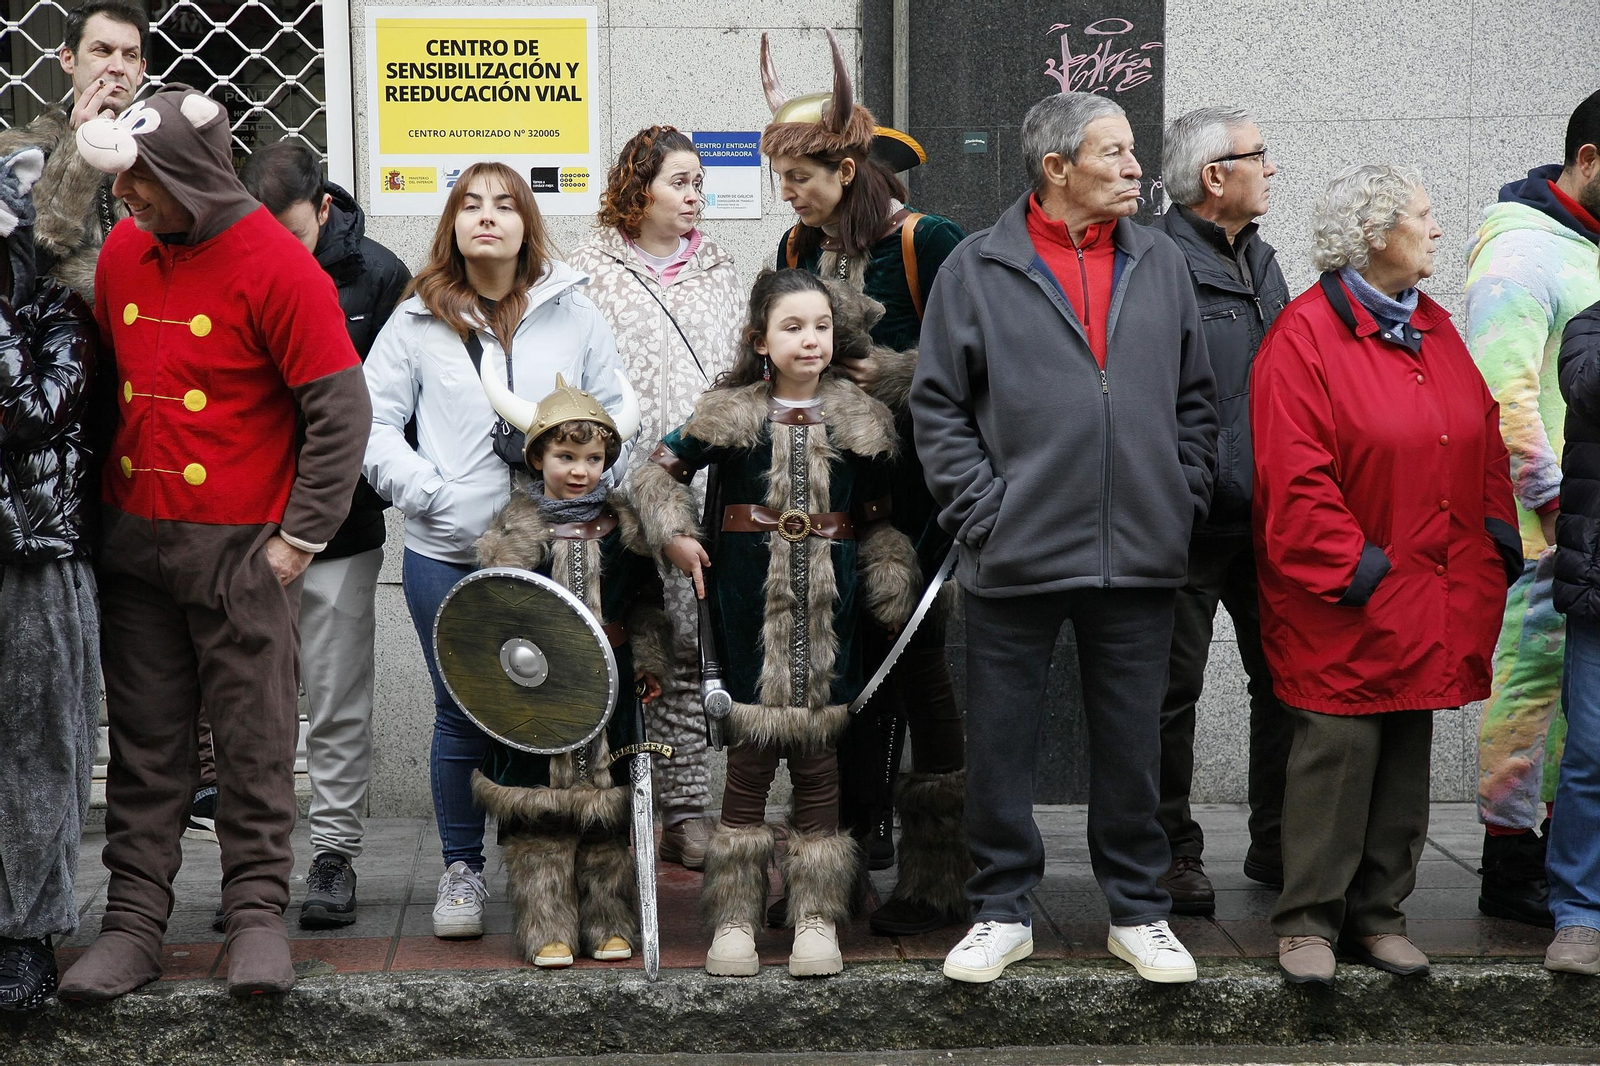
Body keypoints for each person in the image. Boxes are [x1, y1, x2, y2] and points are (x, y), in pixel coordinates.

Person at [57, 85, 370, 1001]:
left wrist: (297, 542)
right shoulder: (123, 250)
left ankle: (258, 916)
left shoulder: (279, 264)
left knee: (254, 741)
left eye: (142, 184)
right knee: (149, 747)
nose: (128, 200)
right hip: (137, 547)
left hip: (243, 552)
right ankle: (132, 923)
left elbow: (339, 410)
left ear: (188, 171)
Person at [911, 91, 1216, 986]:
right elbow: (937, 405)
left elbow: (1196, 399)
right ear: (1057, 168)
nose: (1135, 169)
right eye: (1115, 153)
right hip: (1016, 550)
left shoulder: (1160, 262)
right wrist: (981, 511)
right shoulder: (979, 267)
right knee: (1001, 740)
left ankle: (1139, 911)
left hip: (1144, 549)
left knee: (1133, 741)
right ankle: (1001, 908)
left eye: (1133, 153)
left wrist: (1180, 491)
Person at [1254, 164, 1520, 986]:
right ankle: (1307, 923)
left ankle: (1380, 915)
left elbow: (1481, 436)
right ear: (1376, 237)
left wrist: (1498, 535)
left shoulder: (1433, 326)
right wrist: (1356, 571)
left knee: (1406, 745)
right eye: (1423, 215)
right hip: (1350, 595)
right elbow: (1294, 478)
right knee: (1336, 750)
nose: (1438, 229)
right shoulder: (1303, 337)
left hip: (1430, 586)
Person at [362, 161, 628, 941]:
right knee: (462, 711)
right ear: (450, 222)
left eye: (504, 204)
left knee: (564, 708)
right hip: (449, 550)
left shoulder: (572, 309)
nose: (487, 217)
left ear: (525, 223)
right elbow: (371, 425)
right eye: (470, 204)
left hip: (560, 551)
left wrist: (587, 476)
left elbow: (614, 410)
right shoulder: (416, 320)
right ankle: (461, 872)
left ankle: (561, 874)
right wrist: (432, 492)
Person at [632, 268, 920, 978]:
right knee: (749, 773)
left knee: (822, 772)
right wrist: (674, 532)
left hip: (832, 629)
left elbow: (880, 521)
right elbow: (656, 474)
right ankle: (733, 916)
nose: (810, 339)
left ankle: (814, 915)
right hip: (744, 619)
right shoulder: (729, 415)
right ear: (760, 339)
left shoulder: (863, 421)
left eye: (820, 326)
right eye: (792, 327)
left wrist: (888, 576)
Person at [761, 29, 971, 937]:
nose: (789, 191)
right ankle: (840, 864)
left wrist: (882, 376)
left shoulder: (930, 241)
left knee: (919, 673)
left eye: (801, 174)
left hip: (920, 496)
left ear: (848, 169)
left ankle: (937, 879)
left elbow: (979, 366)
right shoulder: (795, 244)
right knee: (840, 675)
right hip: (829, 497)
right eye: (783, 177)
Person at [241, 140, 412, 927]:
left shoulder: (376, 274)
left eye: (292, 229)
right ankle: (256, 870)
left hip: (340, 527)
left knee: (337, 701)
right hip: (244, 524)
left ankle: (334, 855)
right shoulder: (234, 255)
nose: (277, 244)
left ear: (326, 206)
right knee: (252, 703)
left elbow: (383, 411)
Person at [566, 125, 742, 871]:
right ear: (637, 189)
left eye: (699, 181)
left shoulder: (725, 270)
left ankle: (688, 811)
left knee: (696, 648)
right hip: (614, 491)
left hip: (706, 489)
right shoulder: (586, 271)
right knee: (623, 650)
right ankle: (608, 809)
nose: (694, 194)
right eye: (679, 181)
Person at [467, 374, 669, 968]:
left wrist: (650, 660)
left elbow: (647, 605)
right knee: (539, 814)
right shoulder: (515, 531)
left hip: (609, 686)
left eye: (592, 458)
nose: (580, 470)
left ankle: (609, 921)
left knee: (608, 812)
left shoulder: (624, 530)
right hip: (535, 696)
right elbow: (496, 613)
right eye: (565, 456)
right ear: (537, 457)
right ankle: (546, 928)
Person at [1149, 107, 1293, 914]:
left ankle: (1278, 845)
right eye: (1259, 156)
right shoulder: (1157, 262)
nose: (1270, 168)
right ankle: (1172, 852)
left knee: (1284, 682)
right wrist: (1188, 491)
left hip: (1270, 521)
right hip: (1190, 524)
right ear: (1215, 176)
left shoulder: (1263, 261)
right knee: (1170, 694)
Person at [1467, 89, 1600, 928]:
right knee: (1526, 697)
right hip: (1542, 530)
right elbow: (1503, 391)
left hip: (1578, 527)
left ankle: (1550, 855)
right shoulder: (1522, 253)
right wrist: (1548, 503)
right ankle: (1509, 867)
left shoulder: (1581, 245)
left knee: (1567, 714)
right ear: (1587, 160)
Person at [0, 147, 102, 1011]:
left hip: (33, 559)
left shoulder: (58, 316)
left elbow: (28, 412)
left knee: (38, 753)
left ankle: (25, 936)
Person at [0, 1, 146, 298]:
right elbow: (26, 270)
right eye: (102, 51)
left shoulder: (158, 148)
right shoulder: (20, 152)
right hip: (63, 335)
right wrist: (80, 152)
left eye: (130, 56)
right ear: (68, 58)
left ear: (141, 70)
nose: (117, 67)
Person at [1550, 298, 1600, 974]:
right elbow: (1586, 386)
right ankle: (1579, 916)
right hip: (1598, 590)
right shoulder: (1589, 329)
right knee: (1590, 756)